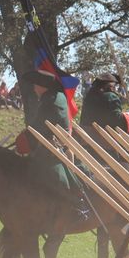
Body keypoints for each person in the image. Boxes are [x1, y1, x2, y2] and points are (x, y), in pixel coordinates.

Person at [20, 69, 90, 222]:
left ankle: (70, 206)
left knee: (32, 174)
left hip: (52, 148)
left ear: (42, 85)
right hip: (60, 145)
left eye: (36, 84)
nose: (33, 88)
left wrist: (26, 140)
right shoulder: (57, 97)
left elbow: (39, 127)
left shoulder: (49, 101)